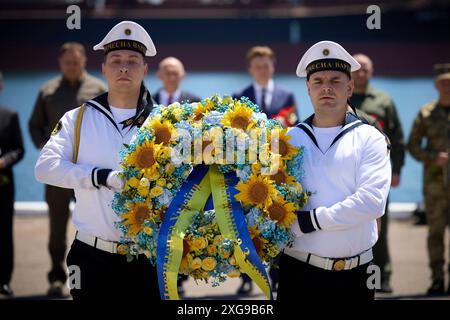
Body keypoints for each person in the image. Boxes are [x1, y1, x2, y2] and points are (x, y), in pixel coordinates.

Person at [35, 21, 160, 300]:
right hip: (90, 258)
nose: (124, 67)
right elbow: (45, 168)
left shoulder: (166, 122)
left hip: (149, 258)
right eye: (115, 61)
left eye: (132, 61)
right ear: (103, 68)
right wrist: (99, 176)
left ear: (145, 69)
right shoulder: (77, 119)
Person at [277, 41, 391, 300]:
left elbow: (372, 203)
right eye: (317, 81)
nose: (326, 87)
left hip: (354, 276)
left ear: (350, 87)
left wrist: (309, 221)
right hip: (297, 272)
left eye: (335, 80)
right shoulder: (287, 140)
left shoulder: (370, 138)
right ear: (307, 88)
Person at [28, 42, 107, 297]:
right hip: (60, 173)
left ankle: (100, 275)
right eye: (67, 62)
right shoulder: (48, 91)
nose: (72, 66)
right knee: (57, 227)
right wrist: (44, 146)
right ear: (61, 63)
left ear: (84, 61)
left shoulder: (99, 89)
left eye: (76, 62)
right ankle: (56, 278)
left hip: (89, 171)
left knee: (97, 221)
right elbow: (35, 125)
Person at [350, 53, 405, 293]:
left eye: (366, 69)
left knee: (379, 228)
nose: (361, 73)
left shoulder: (383, 101)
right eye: (358, 69)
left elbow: (398, 138)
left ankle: (382, 276)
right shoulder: (342, 97)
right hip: (347, 174)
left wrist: (397, 170)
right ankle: (352, 274)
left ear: (371, 72)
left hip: (376, 176)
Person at [407, 63, 450, 295]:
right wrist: (433, 157)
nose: (447, 86)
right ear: (436, 85)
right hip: (435, 185)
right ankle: (436, 279)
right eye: (443, 82)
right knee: (435, 234)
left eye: (449, 82)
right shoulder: (426, 113)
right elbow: (412, 145)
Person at [0, 71, 25, 297]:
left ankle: (4, 280)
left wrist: (3, 161)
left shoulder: (10, 115)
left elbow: (19, 149)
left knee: (4, 234)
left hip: (3, 185)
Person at [233, 46, 298, 128]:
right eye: (258, 67)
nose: (262, 71)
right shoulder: (239, 96)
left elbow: (295, 125)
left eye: (266, 66)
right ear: (250, 69)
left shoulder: (287, 96)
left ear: (273, 67)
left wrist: (286, 122)